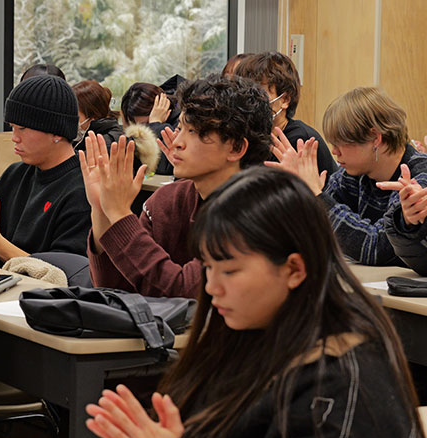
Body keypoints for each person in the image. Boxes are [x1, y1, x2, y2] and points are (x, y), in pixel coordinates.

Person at [84, 167, 427, 438]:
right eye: (207, 267)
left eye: (229, 271)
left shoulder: (342, 379)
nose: (211, 288)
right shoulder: (250, 330)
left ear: (294, 269)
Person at [85, 74, 272, 298]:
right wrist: (101, 211)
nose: (177, 142)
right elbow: (116, 289)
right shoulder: (168, 200)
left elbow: (186, 295)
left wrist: (120, 215)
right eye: (180, 128)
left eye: (193, 131)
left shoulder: (258, 211)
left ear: (236, 148)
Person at [271, 86, 427, 266]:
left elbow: (377, 247)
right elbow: (314, 232)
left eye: (340, 143)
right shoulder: (351, 175)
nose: (334, 152)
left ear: (375, 138)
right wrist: (303, 194)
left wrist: (316, 195)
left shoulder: (419, 174)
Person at [0, 74, 91, 267]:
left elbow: (64, 274)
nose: (14, 137)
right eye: (12, 127)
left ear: (57, 132)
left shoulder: (84, 190)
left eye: (23, 128)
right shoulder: (13, 176)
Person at [233, 51, 336, 176]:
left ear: (285, 99)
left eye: (259, 92)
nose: (250, 100)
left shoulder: (301, 140)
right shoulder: (252, 136)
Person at [73, 80, 159, 174]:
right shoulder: (87, 138)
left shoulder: (109, 144)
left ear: (93, 117)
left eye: (75, 115)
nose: (71, 120)